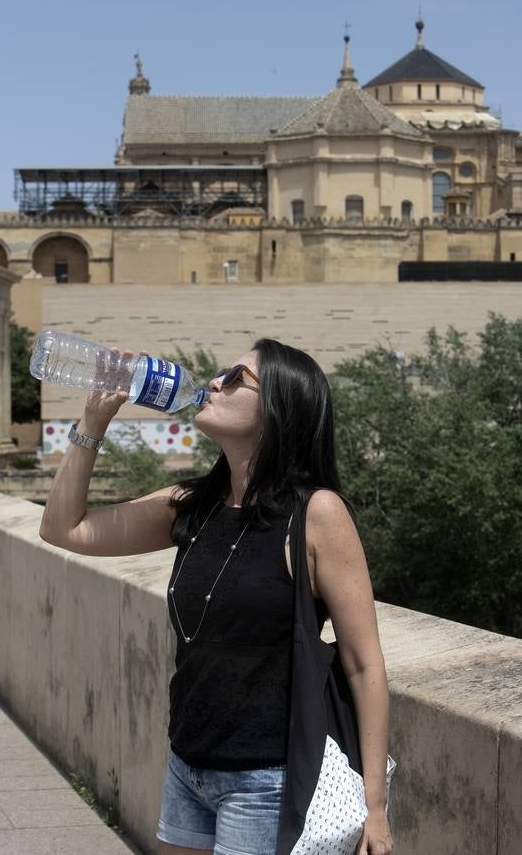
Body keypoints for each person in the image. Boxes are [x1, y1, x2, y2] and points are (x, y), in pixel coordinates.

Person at [39, 338, 394, 855]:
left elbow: (365, 664)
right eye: (220, 372)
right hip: (188, 765)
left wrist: (375, 806)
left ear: (278, 410)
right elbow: (62, 529)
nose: (212, 382)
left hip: (266, 781)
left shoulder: (316, 514)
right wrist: (93, 423)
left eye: (235, 378)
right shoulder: (192, 505)